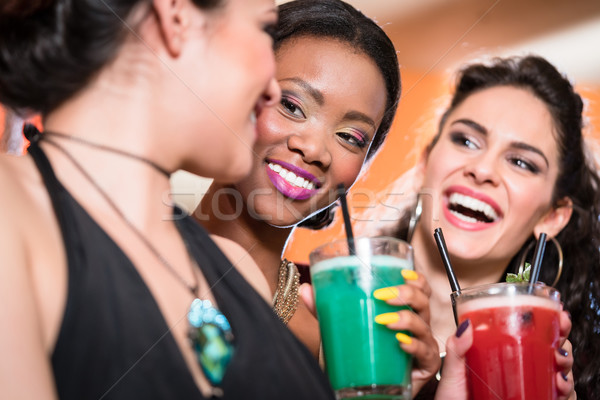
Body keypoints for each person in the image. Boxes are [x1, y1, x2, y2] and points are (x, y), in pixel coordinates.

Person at [0, 0, 343, 399]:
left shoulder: (236, 269)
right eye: (264, 31)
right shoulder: (12, 215)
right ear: (176, 14)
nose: (272, 88)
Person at [195, 0, 441, 395]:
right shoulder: (129, 250)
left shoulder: (334, 340)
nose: (315, 150)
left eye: (350, 136)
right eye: (292, 106)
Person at [387, 55, 596, 399]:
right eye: (466, 141)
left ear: (553, 216)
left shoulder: (571, 376)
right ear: (424, 163)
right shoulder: (306, 308)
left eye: (521, 162)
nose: (482, 169)